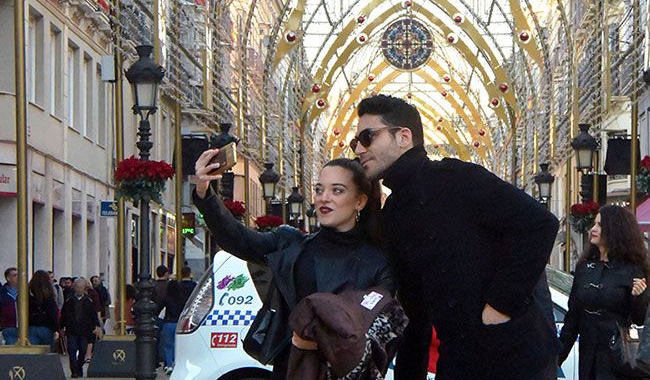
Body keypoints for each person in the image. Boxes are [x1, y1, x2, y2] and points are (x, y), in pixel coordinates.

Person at [352, 94, 560, 380]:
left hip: (511, 357)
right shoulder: (394, 214)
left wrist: (499, 308)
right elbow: (415, 310)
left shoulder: (458, 179)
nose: (359, 149)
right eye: (355, 142)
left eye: (367, 137)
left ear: (403, 137)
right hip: (458, 363)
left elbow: (539, 224)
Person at [193, 154, 395, 380]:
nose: (324, 198)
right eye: (319, 190)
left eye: (337, 190)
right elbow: (238, 239)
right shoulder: (290, 244)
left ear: (360, 201)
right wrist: (204, 193)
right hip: (290, 367)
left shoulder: (378, 261)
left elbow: (385, 328)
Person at [559, 205, 650, 380]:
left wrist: (639, 296)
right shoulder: (584, 267)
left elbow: (639, 319)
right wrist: (557, 359)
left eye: (600, 225)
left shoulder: (633, 269)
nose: (593, 229)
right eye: (594, 224)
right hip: (588, 358)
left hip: (618, 360)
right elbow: (572, 319)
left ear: (615, 230)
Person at [59, 278, 101, 378]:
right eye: (77, 287)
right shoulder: (69, 301)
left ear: (84, 289)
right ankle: (74, 370)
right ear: (74, 288)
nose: (79, 289)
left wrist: (96, 325)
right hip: (72, 330)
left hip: (84, 330)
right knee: (72, 349)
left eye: (81, 287)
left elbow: (93, 315)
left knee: (82, 349)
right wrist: (61, 326)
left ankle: (79, 366)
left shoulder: (88, 301)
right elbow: (64, 314)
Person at [158, 280, 188, 374]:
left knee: (168, 346)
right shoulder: (182, 299)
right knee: (176, 345)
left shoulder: (167, 298)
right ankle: (176, 364)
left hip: (168, 323)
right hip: (179, 324)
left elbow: (158, 310)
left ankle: (169, 365)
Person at [27, 270, 58, 346]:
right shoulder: (48, 295)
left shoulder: (27, 294)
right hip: (46, 326)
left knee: (33, 352)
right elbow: (52, 313)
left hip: (31, 326)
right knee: (46, 351)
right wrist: (55, 328)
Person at [0, 267, 18, 345]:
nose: (18, 277)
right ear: (8, 278)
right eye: (15, 275)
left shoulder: (25, 291)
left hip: (25, 328)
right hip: (8, 327)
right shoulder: (2, 293)